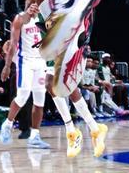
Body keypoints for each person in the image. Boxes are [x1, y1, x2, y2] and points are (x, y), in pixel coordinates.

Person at [46, 15, 108, 158]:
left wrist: (84, 39)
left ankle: (86, 129)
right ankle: (85, 128)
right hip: (55, 42)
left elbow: (89, 12)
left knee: (66, 85)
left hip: (72, 42)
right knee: (51, 84)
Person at [0, 0, 50, 149]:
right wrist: (7, 66)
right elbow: (13, 44)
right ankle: (8, 124)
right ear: (28, 4)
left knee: (40, 99)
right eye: (32, 3)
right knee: (23, 95)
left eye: (37, 3)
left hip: (40, 61)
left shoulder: (45, 18)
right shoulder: (20, 19)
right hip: (25, 61)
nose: (35, 6)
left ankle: (35, 136)